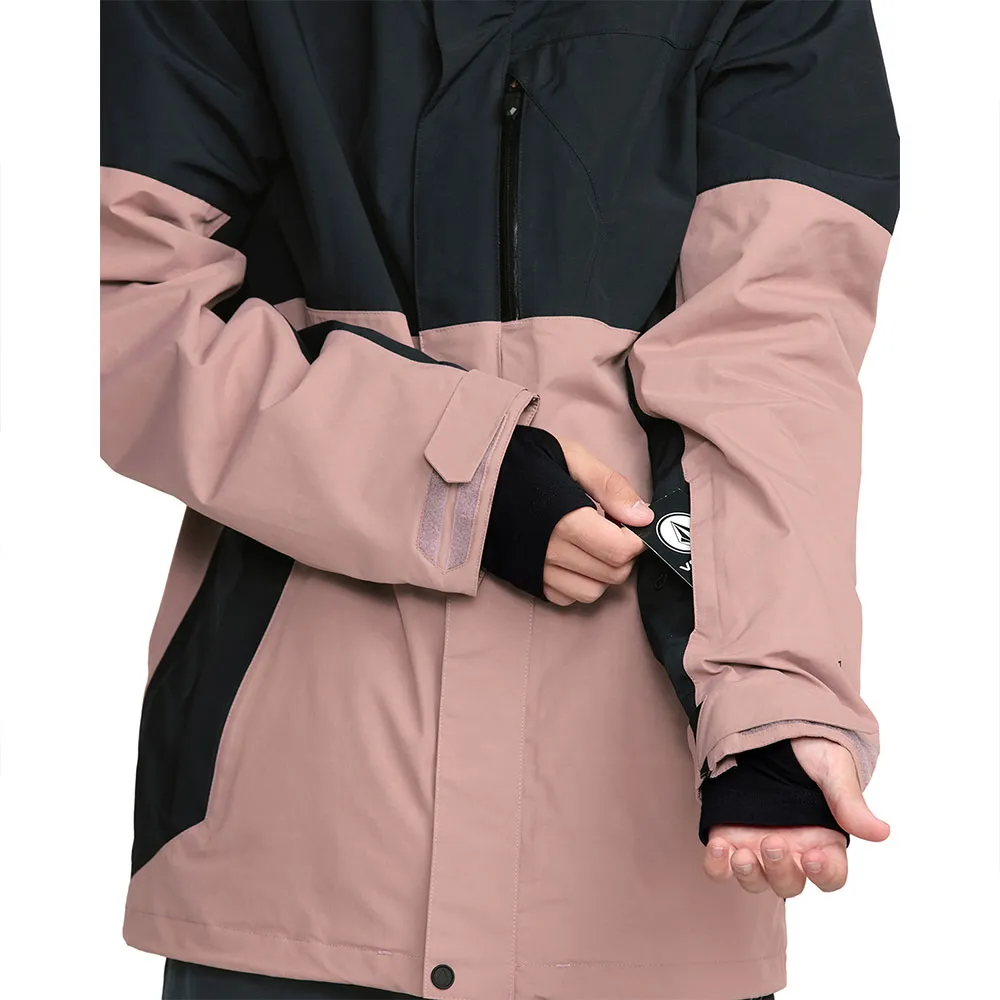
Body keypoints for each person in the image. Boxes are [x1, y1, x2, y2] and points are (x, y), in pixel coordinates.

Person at [99, 2, 899, 998]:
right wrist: (459, 466)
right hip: (298, 853)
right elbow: (119, 309)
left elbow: (771, 360)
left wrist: (770, 703)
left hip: (637, 864)